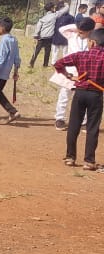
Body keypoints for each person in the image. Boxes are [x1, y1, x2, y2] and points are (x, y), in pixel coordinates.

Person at [54, 28, 104, 171]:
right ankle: (89, 161)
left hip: (80, 93)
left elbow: (58, 63)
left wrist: (68, 76)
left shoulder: (81, 55)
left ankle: (70, 157)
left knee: (74, 125)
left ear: (92, 43)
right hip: (96, 95)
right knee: (92, 128)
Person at [54, 18, 94, 131]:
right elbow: (62, 29)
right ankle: (60, 118)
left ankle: (84, 122)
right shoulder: (72, 35)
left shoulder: (93, 41)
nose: (80, 34)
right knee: (64, 94)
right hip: (70, 71)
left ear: (89, 31)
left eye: (82, 32)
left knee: (84, 97)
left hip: (86, 72)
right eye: (79, 31)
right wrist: (78, 27)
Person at [30, 2, 58, 69]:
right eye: (54, 7)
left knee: (37, 50)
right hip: (49, 37)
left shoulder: (43, 17)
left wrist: (36, 35)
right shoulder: (54, 15)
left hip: (41, 37)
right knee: (47, 51)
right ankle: (45, 64)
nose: (54, 9)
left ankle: (31, 63)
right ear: (51, 8)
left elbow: (38, 27)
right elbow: (62, 12)